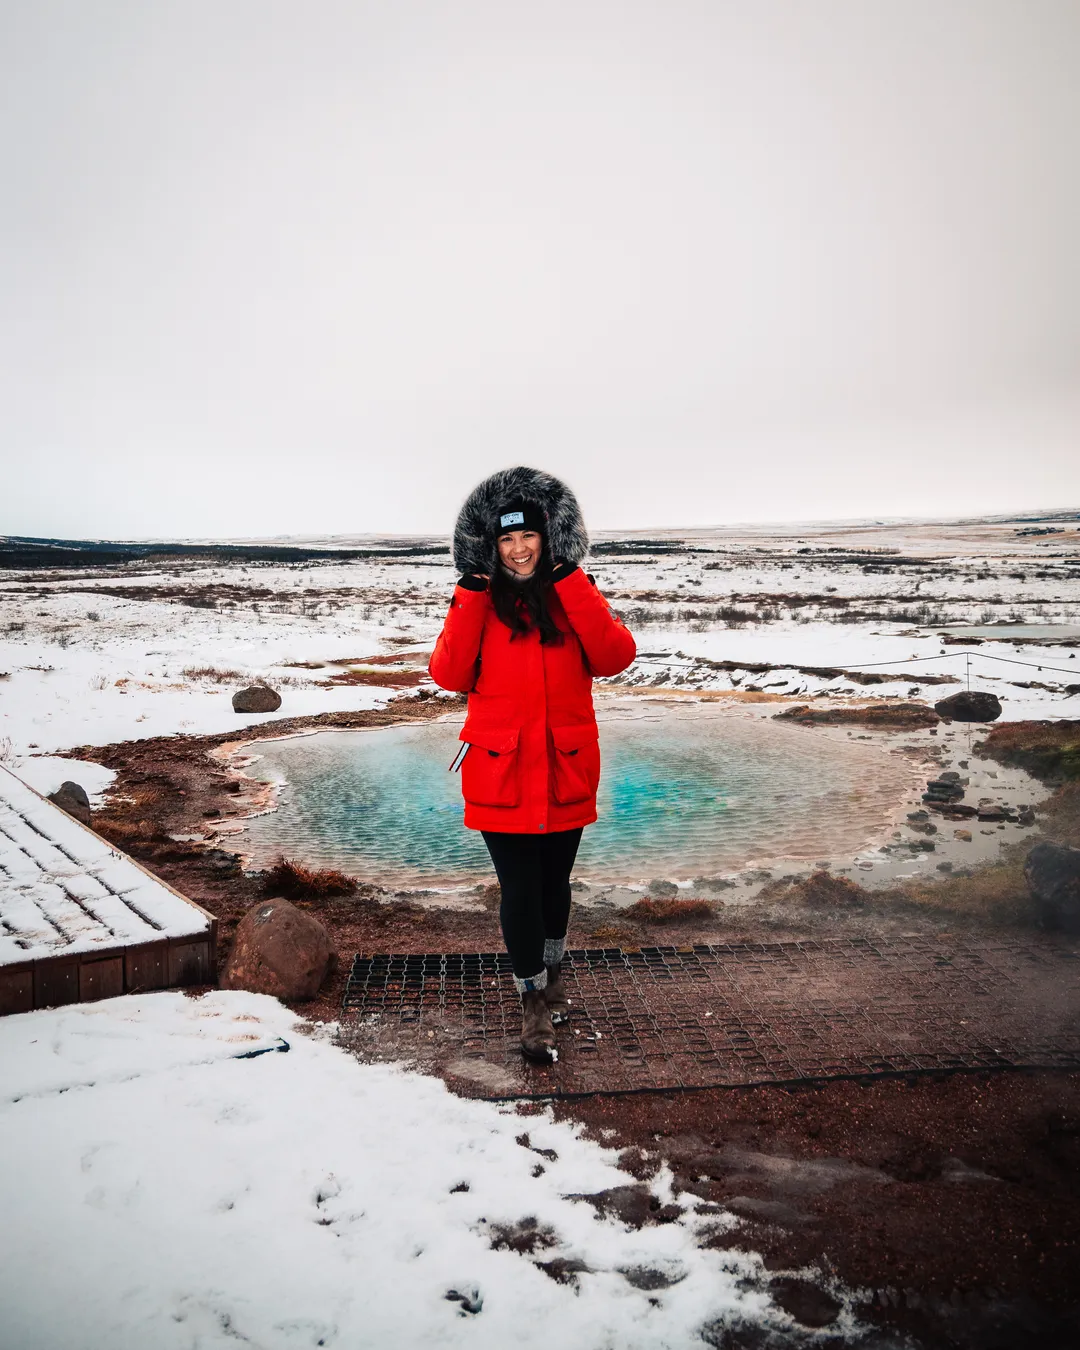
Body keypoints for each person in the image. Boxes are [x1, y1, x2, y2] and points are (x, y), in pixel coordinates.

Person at [429, 467, 637, 1063]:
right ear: (490, 546)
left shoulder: (573, 593)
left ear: (548, 538)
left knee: (554, 886)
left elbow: (615, 655)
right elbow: (448, 675)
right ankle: (531, 1002)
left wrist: (572, 582)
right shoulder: (478, 601)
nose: (518, 550)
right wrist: (471, 592)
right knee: (519, 888)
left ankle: (553, 975)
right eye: (505, 540)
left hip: (565, 766)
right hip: (501, 771)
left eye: (528, 538)